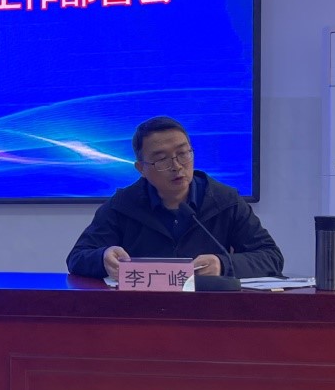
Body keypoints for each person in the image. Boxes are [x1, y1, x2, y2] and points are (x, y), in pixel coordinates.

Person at [67, 116, 283, 280]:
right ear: (141, 168)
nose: (177, 166)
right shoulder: (122, 205)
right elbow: (77, 258)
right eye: (162, 159)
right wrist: (103, 258)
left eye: (183, 153)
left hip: (210, 311)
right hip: (142, 311)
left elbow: (271, 257)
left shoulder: (225, 201)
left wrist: (222, 264)